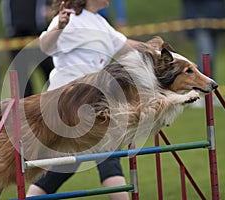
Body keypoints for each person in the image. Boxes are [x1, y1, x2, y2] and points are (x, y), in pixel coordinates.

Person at [27, 0, 140, 199]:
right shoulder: (68, 18)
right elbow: (45, 46)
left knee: (66, 165)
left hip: (88, 103)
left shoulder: (100, 22)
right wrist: (59, 27)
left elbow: (126, 46)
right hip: (71, 103)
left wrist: (161, 52)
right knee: (108, 154)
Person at [2, 0, 54, 97]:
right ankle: (27, 107)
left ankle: (54, 100)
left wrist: (49, 7)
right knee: (22, 78)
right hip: (16, 37)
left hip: (37, 35)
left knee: (49, 71)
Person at [182, 0, 225, 78]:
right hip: (200, 23)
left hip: (215, 22)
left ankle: (207, 84)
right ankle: (201, 84)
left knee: (210, 58)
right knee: (206, 57)